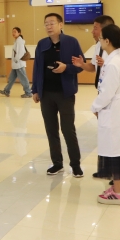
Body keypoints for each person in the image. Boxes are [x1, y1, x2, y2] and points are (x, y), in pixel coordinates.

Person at [73, 15, 120, 183]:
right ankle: (108, 172)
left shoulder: (119, 54)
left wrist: (95, 107)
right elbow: (93, 68)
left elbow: (112, 81)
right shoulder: (99, 48)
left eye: (96, 28)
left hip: (113, 99)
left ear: (106, 33)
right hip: (106, 97)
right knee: (110, 139)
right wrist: (82, 64)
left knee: (118, 140)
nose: (93, 32)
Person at [32, 13, 84, 177]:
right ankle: (57, 163)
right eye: (46, 24)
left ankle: (75, 164)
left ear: (61, 25)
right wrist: (35, 89)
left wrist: (66, 68)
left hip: (65, 93)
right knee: (51, 130)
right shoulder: (42, 44)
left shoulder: (71, 42)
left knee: (68, 129)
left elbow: (80, 65)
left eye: (52, 23)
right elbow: (37, 67)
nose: (48, 26)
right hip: (46, 94)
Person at [90, 24, 120, 205]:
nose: (99, 41)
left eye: (100, 39)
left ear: (107, 41)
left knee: (115, 150)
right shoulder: (119, 56)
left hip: (114, 109)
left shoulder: (113, 63)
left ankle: (117, 193)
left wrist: (95, 107)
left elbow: (107, 92)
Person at [0, 27, 32, 98]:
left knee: (23, 79)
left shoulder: (19, 41)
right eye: (12, 32)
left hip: (19, 64)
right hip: (16, 65)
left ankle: (28, 92)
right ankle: (6, 91)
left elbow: (20, 52)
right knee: (11, 78)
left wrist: (16, 60)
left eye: (15, 32)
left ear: (19, 33)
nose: (13, 33)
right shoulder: (17, 41)